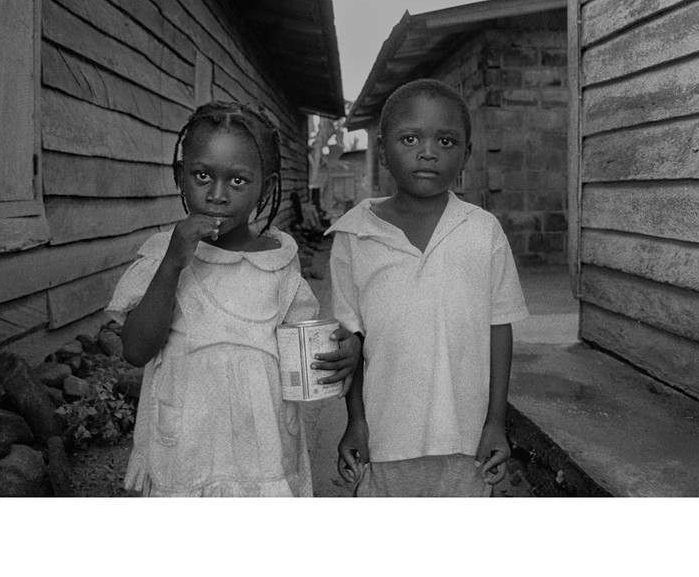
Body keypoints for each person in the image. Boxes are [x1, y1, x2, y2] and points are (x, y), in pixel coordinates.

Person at [105, 101, 361, 496]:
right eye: (202, 175)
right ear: (180, 174)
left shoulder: (279, 267)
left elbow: (307, 363)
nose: (217, 195)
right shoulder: (161, 257)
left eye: (238, 181)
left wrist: (339, 354)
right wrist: (174, 263)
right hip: (184, 452)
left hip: (263, 455)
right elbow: (136, 350)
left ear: (267, 186)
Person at [329, 79, 529, 497]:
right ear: (382, 150)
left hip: (466, 444)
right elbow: (353, 341)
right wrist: (356, 422)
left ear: (466, 155)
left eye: (446, 140)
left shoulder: (482, 231)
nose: (427, 151)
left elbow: (499, 328)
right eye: (409, 138)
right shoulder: (354, 236)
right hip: (385, 442)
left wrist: (496, 421)